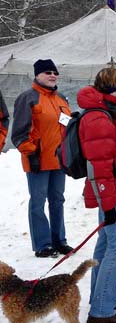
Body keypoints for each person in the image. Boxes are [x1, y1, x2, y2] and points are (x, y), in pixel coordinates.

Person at [77, 67, 116, 323]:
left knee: (106, 244)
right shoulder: (99, 117)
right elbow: (99, 167)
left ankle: (102, 296)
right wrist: (108, 204)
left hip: (112, 191)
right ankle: (101, 310)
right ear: (112, 88)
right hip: (109, 193)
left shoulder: (107, 112)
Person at [11, 59, 72, 258]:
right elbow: (19, 133)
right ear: (37, 75)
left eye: (55, 72)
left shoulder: (61, 98)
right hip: (37, 160)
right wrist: (31, 154)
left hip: (58, 161)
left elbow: (65, 127)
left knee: (58, 200)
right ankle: (42, 244)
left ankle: (59, 240)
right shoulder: (27, 98)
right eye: (48, 72)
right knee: (38, 202)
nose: (53, 75)